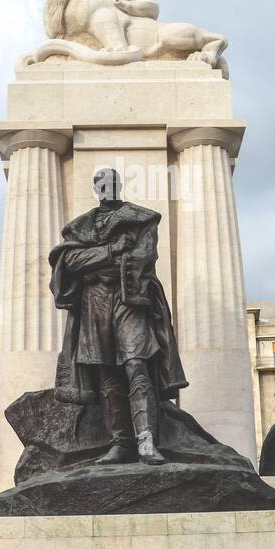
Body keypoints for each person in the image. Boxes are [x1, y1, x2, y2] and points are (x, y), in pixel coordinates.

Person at [48, 168, 187, 465]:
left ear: (118, 186)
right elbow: (69, 261)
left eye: (112, 183)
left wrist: (95, 260)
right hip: (94, 302)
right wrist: (110, 252)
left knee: (137, 364)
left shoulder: (142, 219)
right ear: (96, 188)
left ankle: (146, 441)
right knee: (106, 372)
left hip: (131, 298)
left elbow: (143, 257)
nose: (107, 188)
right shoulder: (79, 226)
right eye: (101, 184)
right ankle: (121, 443)